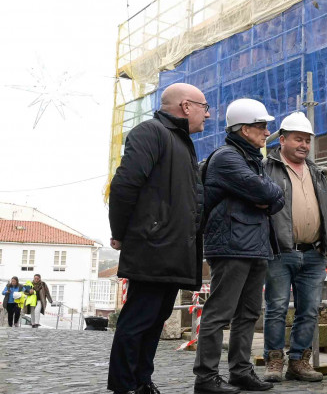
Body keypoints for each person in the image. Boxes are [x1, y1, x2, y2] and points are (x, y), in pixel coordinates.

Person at [107, 82, 210, 394]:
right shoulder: (151, 132)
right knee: (139, 319)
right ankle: (125, 385)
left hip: (171, 249)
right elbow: (125, 184)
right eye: (204, 107)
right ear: (186, 106)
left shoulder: (180, 141)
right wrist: (120, 232)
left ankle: (141, 381)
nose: (208, 113)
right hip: (153, 246)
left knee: (155, 319)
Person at [194, 98, 285, 394]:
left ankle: (241, 372)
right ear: (244, 129)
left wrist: (265, 196)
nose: (266, 131)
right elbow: (265, 190)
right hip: (231, 246)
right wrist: (263, 196)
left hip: (254, 245)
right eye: (261, 126)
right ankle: (206, 378)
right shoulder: (227, 158)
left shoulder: (250, 159)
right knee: (219, 313)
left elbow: (277, 197)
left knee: (247, 314)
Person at [261, 112, 327, 383]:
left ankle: (299, 362)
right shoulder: (267, 168)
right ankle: (274, 361)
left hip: (313, 252)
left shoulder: (316, 171)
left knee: (310, 309)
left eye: (307, 140)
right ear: (282, 140)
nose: (304, 145)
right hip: (280, 252)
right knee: (277, 307)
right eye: (298, 139)